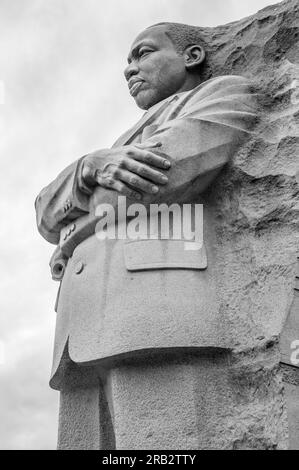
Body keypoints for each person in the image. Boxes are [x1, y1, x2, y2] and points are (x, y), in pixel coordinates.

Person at [35, 22, 258, 449]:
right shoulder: (117, 145)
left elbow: (166, 171)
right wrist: (88, 166)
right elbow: (43, 214)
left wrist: (72, 230)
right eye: (126, 61)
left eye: (143, 53)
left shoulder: (222, 94)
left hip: (156, 318)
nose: (129, 69)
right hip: (79, 329)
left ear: (191, 56)